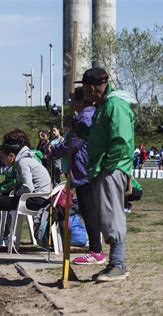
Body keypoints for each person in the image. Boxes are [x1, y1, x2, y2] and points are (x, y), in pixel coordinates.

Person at [75, 67, 135, 282]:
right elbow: (93, 134)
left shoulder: (114, 105)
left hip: (111, 167)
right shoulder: (101, 107)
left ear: (91, 87)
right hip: (103, 167)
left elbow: (122, 140)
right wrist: (78, 123)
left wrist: (110, 165)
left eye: (84, 88)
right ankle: (113, 264)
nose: (84, 92)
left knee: (112, 216)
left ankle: (118, 265)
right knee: (106, 216)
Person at [47, 87, 105, 265]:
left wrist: (55, 150)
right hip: (85, 170)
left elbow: (74, 143)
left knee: (89, 211)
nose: (69, 103)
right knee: (89, 210)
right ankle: (95, 248)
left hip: (84, 171)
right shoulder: (88, 116)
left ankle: (96, 251)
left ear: (81, 101)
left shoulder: (85, 118)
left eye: (72, 100)